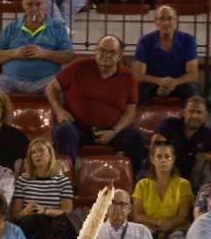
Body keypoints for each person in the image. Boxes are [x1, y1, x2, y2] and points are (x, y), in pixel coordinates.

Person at [47, 35, 147, 176]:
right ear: (95, 51)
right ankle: (65, 180)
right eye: (102, 50)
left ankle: (135, 182)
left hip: (111, 132)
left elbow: (130, 112)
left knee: (135, 137)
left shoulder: (129, 77)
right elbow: (51, 88)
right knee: (63, 130)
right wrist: (59, 110)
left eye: (112, 52)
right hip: (77, 128)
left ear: (120, 56)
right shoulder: (79, 66)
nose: (106, 55)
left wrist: (114, 131)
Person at [0, 0, 75, 96]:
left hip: (45, 80)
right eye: (30, 4)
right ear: (24, 5)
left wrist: (44, 53)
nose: (34, 8)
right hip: (10, 80)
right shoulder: (12, 27)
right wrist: (14, 53)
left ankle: (60, 113)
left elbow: (69, 55)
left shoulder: (58, 28)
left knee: (63, 90)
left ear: (45, 5)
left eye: (38, 4)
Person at [11, 138, 76, 239]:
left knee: (56, 223)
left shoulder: (62, 181)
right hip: (29, 222)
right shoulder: (23, 180)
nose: (37, 155)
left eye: (41, 151)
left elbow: (67, 211)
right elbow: (15, 215)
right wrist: (24, 212)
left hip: (53, 222)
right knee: (35, 220)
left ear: (50, 154)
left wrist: (45, 210)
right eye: (33, 152)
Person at [132, 140, 194, 239]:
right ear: (152, 159)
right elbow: (137, 215)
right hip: (150, 228)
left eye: (167, 156)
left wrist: (169, 224)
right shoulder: (142, 184)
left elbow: (183, 216)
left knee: (176, 238)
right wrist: (157, 223)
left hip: (176, 229)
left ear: (173, 158)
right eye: (159, 156)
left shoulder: (183, 184)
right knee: (141, 235)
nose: (163, 160)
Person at [131, 5, 200, 105]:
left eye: (170, 18)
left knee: (192, 89)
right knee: (138, 89)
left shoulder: (188, 40)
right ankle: (139, 119)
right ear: (155, 21)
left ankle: (188, 120)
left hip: (179, 83)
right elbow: (138, 75)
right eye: (161, 19)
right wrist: (160, 81)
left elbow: (193, 74)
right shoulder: (145, 41)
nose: (166, 23)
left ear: (176, 21)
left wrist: (174, 83)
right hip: (153, 83)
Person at [154, 97, 211, 189]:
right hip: (165, 170)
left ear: (205, 115)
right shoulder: (169, 124)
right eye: (191, 111)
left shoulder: (210, 135)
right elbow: (155, 146)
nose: (194, 116)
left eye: (199, 112)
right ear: (184, 112)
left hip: (193, 179)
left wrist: (209, 156)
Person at [91, 189, 160, 239]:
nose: (117, 208)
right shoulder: (93, 231)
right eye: (113, 203)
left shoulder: (142, 231)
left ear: (130, 208)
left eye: (122, 204)